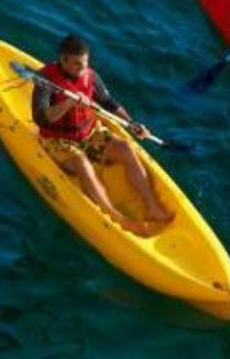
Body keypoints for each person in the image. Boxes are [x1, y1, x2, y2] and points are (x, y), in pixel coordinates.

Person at [32, 34, 175, 235]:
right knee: (82, 163)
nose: (82, 68)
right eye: (76, 64)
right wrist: (69, 103)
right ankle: (119, 219)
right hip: (59, 141)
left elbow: (109, 103)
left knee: (125, 148)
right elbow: (40, 118)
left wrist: (132, 124)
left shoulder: (90, 76)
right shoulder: (45, 80)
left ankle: (153, 207)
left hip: (89, 134)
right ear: (63, 60)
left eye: (84, 63)